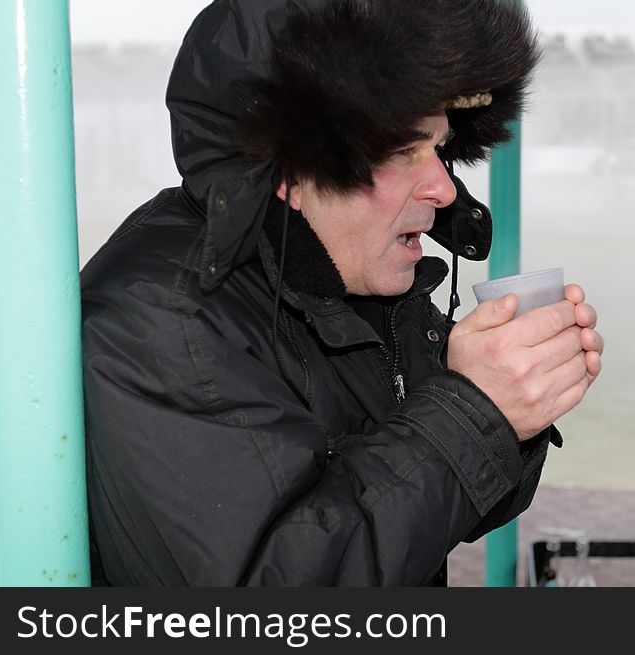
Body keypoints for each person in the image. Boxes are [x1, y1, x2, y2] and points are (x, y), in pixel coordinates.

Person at [81, 0, 604, 586]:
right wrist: (475, 409)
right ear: (292, 170)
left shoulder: (352, 275)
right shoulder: (161, 320)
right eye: (402, 150)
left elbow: (434, 516)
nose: (442, 188)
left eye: (439, 148)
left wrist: (515, 411)